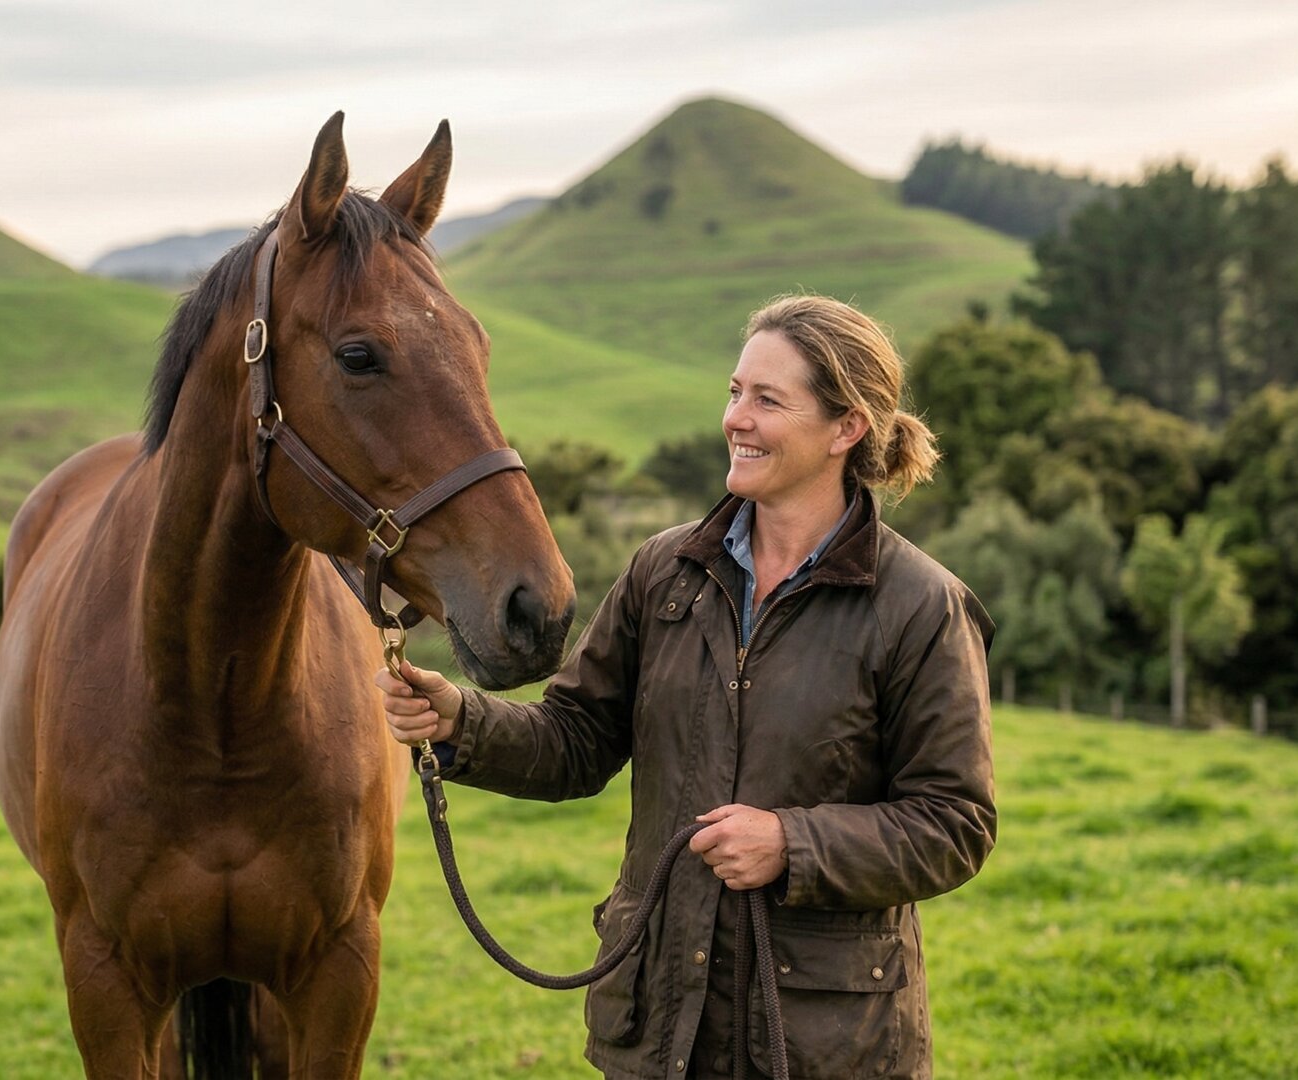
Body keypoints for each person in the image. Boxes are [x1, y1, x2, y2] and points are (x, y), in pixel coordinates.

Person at [376, 294, 997, 1080]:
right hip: (660, 1023)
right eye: (736, 391)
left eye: (769, 400)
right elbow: (576, 739)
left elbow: (954, 823)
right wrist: (459, 719)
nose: (737, 417)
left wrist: (791, 844)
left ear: (847, 428)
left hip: (824, 1044)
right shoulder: (664, 572)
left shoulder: (920, 605)